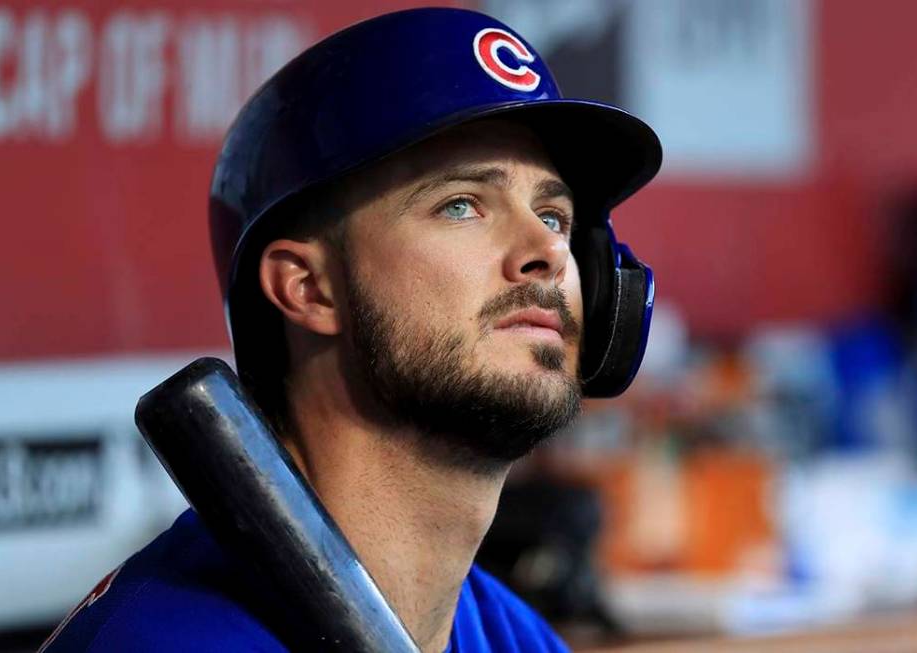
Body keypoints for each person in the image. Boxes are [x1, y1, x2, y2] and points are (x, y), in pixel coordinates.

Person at [39, 7, 661, 652]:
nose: (546, 252)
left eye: (554, 216)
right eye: (461, 205)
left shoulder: (508, 634)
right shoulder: (167, 642)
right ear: (307, 287)